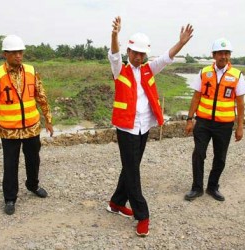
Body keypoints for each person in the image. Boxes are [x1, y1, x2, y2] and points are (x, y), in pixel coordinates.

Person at [106, 16, 193, 237]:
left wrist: (181, 43)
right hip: (127, 129)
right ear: (129, 52)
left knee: (130, 166)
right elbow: (114, 55)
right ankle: (142, 215)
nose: (138, 57)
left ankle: (116, 203)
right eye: (134, 53)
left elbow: (166, 58)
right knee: (134, 171)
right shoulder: (120, 70)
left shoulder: (147, 70)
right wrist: (115, 35)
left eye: (141, 54)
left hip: (144, 127)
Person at [0, 35, 54, 215]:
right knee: (10, 164)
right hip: (9, 131)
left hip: (31, 127)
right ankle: (9, 198)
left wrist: (48, 118)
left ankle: (33, 185)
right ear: (5, 54)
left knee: (33, 159)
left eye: (20, 52)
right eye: (14, 52)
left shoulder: (31, 71)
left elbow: (41, 96)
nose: (18, 56)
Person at [184, 38, 245, 202]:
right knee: (198, 154)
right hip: (203, 123)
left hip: (224, 125)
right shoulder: (204, 72)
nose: (224, 56)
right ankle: (196, 188)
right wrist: (189, 119)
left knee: (220, 157)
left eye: (227, 53)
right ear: (214, 55)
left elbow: (240, 103)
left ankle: (213, 187)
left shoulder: (236, 75)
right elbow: (196, 97)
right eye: (220, 53)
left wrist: (240, 127)